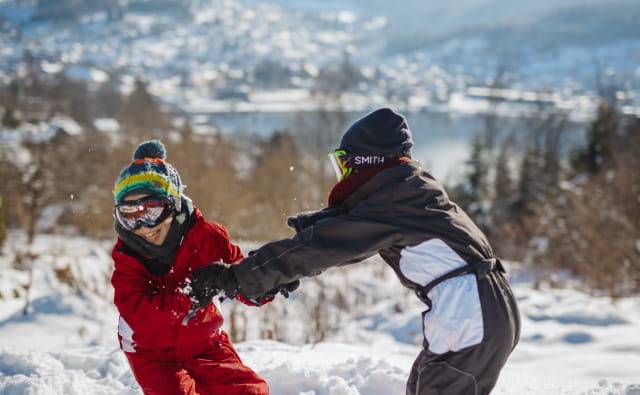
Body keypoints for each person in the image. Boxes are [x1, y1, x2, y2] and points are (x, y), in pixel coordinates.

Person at [189, 108, 521, 395]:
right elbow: (345, 233)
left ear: (366, 162)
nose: (344, 175)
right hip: (483, 308)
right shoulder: (408, 188)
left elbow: (323, 246)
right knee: (424, 385)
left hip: (469, 313)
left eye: (345, 165)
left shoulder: (392, 200)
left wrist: (235, 277)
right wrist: (281, 267)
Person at [111, 140, 270, 395]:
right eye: (130, 214)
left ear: (172, 203)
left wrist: (265, 281)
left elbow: (239, 274)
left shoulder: (208, 238)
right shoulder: (128, 255)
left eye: (152, 210)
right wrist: (192, 293)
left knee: (249, 392)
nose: (144, 225)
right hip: (149, 351)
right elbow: (141, 317)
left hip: (204, 341)